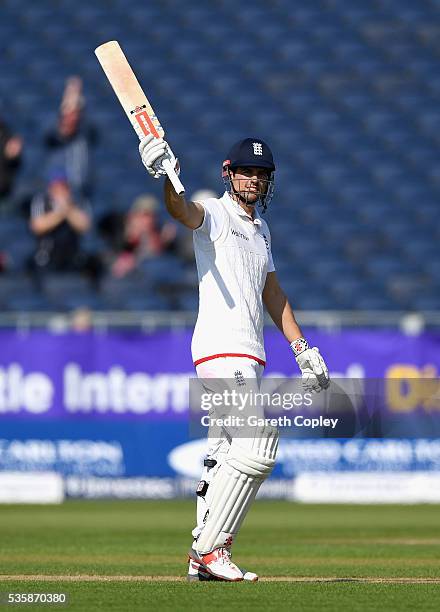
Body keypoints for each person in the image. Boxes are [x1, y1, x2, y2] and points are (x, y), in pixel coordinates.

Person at [139, 134, 330, 582]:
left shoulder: (262, 231)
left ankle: (200, 556)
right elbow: (182, 211)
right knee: (258, 442)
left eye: (261, 175)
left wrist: (303, 349)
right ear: (229, 173)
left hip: (250, 353)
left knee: (222, 455)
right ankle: (211, 548)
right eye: (247, 172)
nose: (254, 180)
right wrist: (166, 179)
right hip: (222, 347)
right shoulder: (217, 213)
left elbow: (273, 293)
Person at [29, 169, 101, 283]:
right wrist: (60, 213)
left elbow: (85, 225)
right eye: (56, 187)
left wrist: (67, 209)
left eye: (63, 186)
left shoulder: (78, 201)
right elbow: (37, 226)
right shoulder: (42, 201)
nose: (60, 190)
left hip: (73, 257)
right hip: (47, 257)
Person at [43, 76, 97, 198]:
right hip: (57, 192)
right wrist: (68, 100)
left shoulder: (83, 135)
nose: (72, 116)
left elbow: (90, 126)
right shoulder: (53, 135)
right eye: (68, 113)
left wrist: (76, 99)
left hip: (81, 193)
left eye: (76, 113)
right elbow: (54, 133)